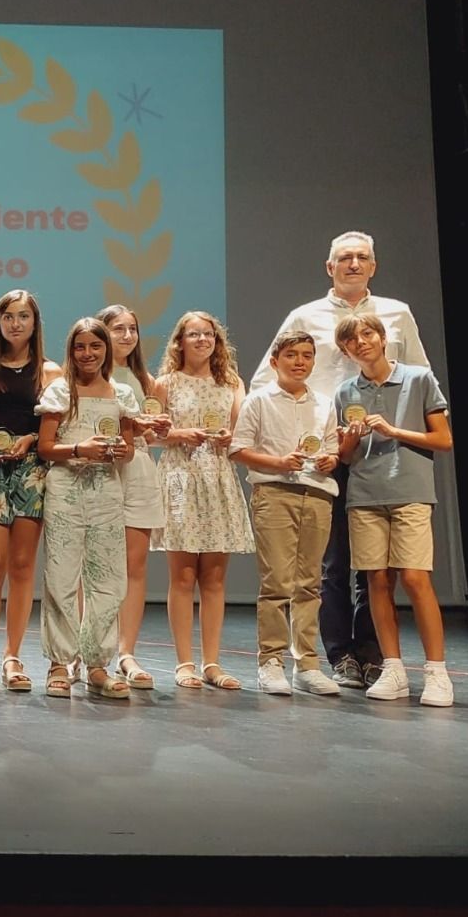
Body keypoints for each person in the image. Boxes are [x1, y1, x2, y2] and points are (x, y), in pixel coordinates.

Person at [251, 231, 430, 689]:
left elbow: (419, 379)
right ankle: (336, 654)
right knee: (330, 561)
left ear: (374, 266)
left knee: (376, 564)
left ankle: (373, 655)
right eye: (344, 258)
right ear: (329, 267)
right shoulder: (305, 316)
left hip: (380, 449)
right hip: (326, 453)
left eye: (362, 258)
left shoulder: (397, 313)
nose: (353, 264)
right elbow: (261, 381)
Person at [334, 313, 455, 706]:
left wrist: (394, 431)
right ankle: (393, 667)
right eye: (351, 341)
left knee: (416, 578)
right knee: (376, 583)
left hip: (410, 492)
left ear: (382, 338)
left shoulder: (418, 379)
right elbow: (346, 457)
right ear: (345, 351)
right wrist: (350, 440)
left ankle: (437, 672)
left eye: (367, 334)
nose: (361, 343)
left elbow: (443, 439)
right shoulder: (345, 392)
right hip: (365, 494)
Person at [229, 330, 344, 697]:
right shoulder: (259, 400)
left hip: (318, 494)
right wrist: (277, 462)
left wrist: (331, 459)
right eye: (292, 354)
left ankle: (307, 663)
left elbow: (332, 449)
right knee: (277, 581)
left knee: (310, 582)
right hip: (274, 492)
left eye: (307, 355)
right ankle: (271, 661)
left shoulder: (324, 403)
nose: (300, 362)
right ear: (275, 361)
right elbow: (237, 448)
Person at [0, 290, 62, 695]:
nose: (15, 324)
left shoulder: (51, 372)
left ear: (35, 324)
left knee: (21, 565)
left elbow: (56, 427)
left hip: (32, 470)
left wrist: (31, 440)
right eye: (8, 317)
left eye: (23, 317)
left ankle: (12, 656)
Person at [151, 311, 255, 690]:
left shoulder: (231, 382)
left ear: (217, 340)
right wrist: (178, 434)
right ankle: (184, 663)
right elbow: (150, 436)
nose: (201, 340)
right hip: (181, 478)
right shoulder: (166, 383)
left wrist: (233, 438)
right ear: (179, 341)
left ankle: (212, 662)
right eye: (193, 334)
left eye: (207, 334)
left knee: (214, 578)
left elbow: (244, 428)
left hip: (217, 478)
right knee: (182, 575)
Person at [35, 318, 136, 699]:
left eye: (96, 346)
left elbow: (126, 449)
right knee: (61, 578)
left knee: (109, 581)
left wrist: (117, 450)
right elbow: (45, 447)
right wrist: (79, 449)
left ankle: (96, 664)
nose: (88, 353)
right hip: (65, 489)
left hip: (106, 493)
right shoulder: (61, 391)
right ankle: (60, 663)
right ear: (71, 351)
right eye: (81, 347)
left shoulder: (122, 394)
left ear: (106, 350)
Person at [97, 304, 170, 690]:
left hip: (138, 470)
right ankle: (87, 649)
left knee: (134, 566)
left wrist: (159, 429)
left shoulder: (148, 380)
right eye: (118, 329)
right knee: (93, 564)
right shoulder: (91, 374)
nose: (126, 336)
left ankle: (126, 652)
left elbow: (153, 438)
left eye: (132, 329)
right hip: (100, 467)